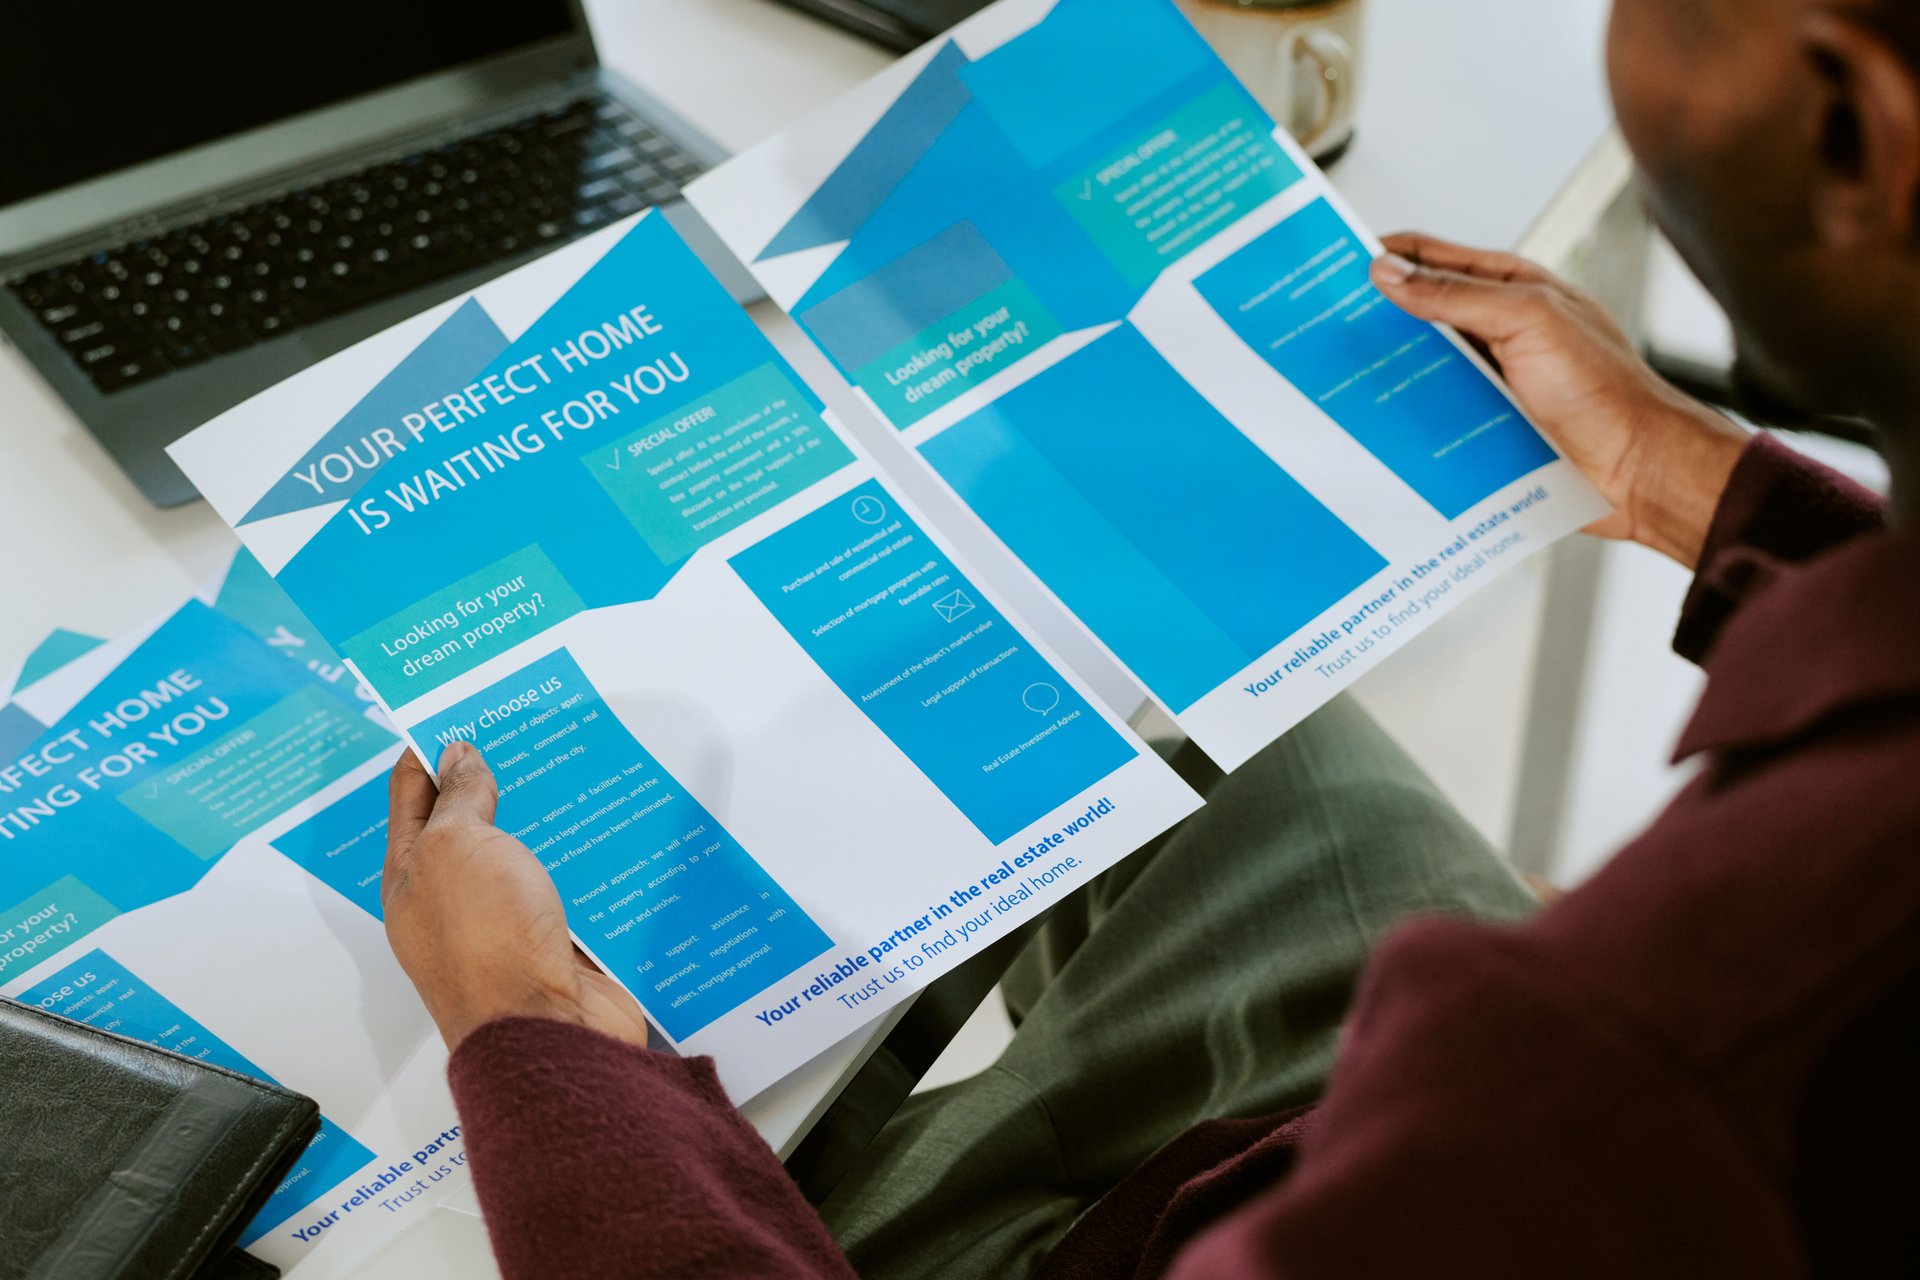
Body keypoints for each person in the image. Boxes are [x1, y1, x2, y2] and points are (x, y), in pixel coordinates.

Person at [379, 0, 1920, 1272]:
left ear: (1853, 131)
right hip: (1344, 1137)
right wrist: (1696, 484)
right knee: (1130, 690)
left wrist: (530, 1048)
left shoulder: (1644, 1060)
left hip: (1348, 1210)